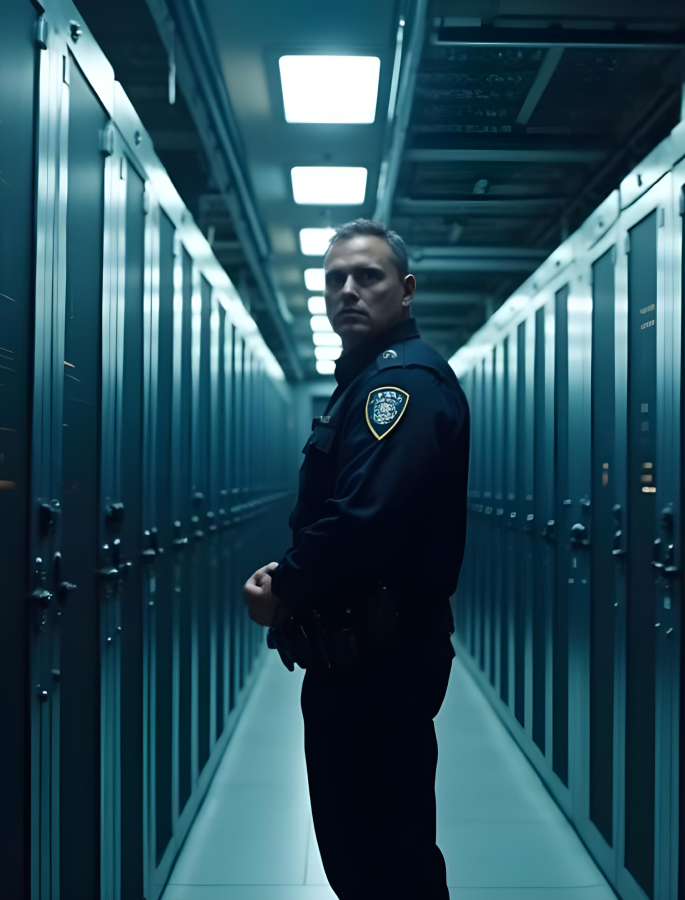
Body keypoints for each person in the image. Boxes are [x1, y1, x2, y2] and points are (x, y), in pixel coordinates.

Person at [241, 219, 470, 899]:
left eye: (367, 276)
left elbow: (363, 519)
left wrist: (283, 586)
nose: (347, 290)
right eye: (334, 279)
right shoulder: (368, 382)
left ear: (405, 291)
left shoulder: (400, 386)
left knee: (384, 864)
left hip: (378, 662)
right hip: (361, 655)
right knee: (364, 857)